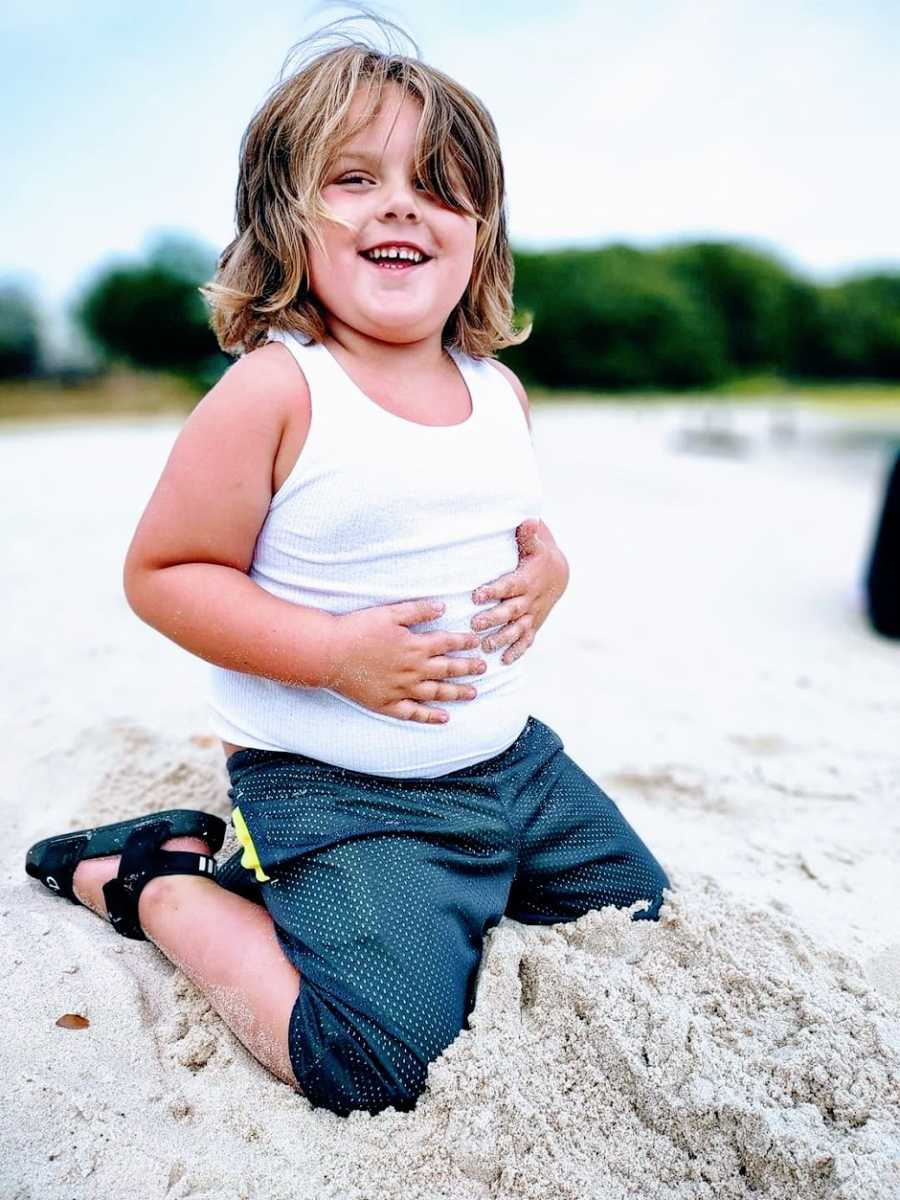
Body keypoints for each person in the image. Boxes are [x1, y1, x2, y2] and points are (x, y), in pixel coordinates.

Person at [25, 16, 672, 1117]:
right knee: (374, 1060)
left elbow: (513, 530)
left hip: (512, 768)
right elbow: (166, 570)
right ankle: (157, 881)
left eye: (439, 185)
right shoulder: (281, 392)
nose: (400, 205)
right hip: (341, 792)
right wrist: (328, 653)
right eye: (355, 179)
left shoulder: (497, 389)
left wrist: (549, 569)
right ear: (286, 218)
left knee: (644, 921)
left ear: (480, 228)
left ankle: (428, 884)